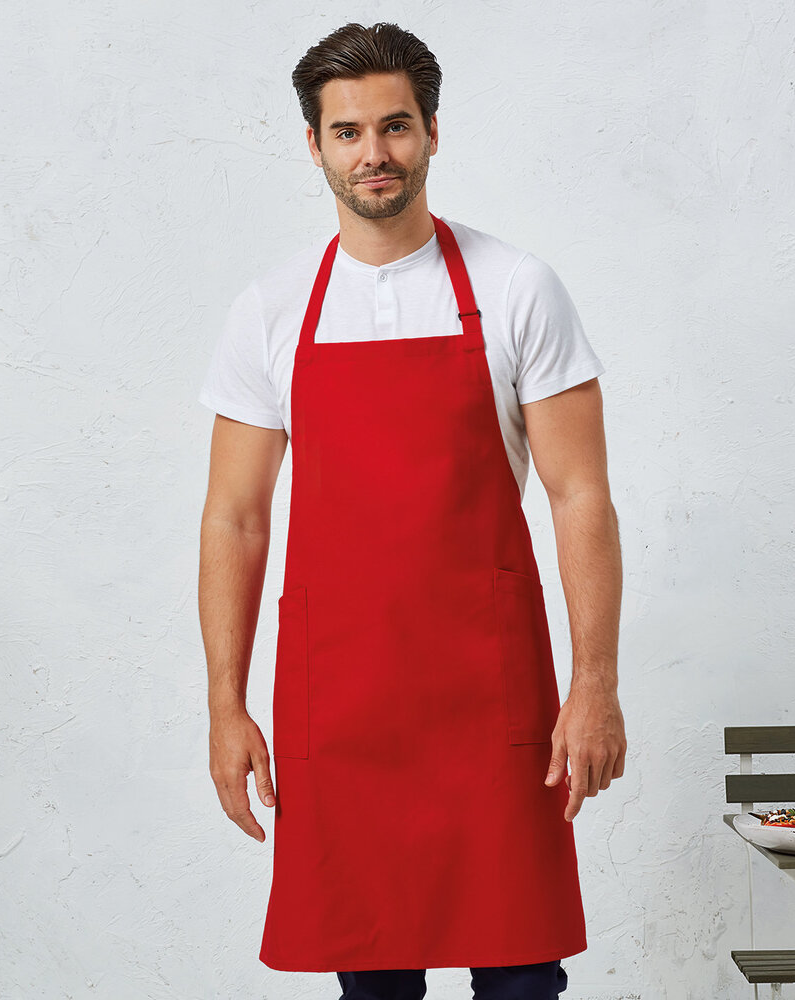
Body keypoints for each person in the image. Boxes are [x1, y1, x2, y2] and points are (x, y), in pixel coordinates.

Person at [198, 21, 626, 1000]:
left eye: (394, 126)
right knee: (373, 984)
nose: (373, 153)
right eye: (347, 132)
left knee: (520, 975)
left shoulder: (516, 288)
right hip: (342, 702)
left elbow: (580, 495)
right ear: (314, 145)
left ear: (431, 131)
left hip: (490, 693)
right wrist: (225, 705)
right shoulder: (271, 309)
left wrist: (593, 684)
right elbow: (234, 518)